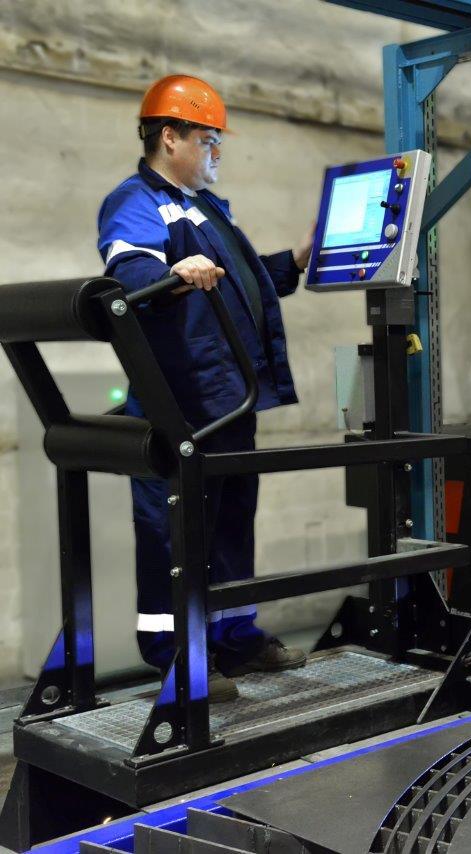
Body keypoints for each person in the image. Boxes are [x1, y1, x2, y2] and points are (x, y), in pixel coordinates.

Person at [97, 74, 310, 702]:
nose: (218, 152)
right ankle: (176, 657)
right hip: (181, 401)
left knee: (231, 524)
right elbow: (129, 267)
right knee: (174, 533)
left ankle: (234, 639)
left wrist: (295, 260)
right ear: (170, 137)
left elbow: (241, 280)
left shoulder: (209, 208)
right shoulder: (138, 200)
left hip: (230, 398)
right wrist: (172, 268)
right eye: (208, 140)